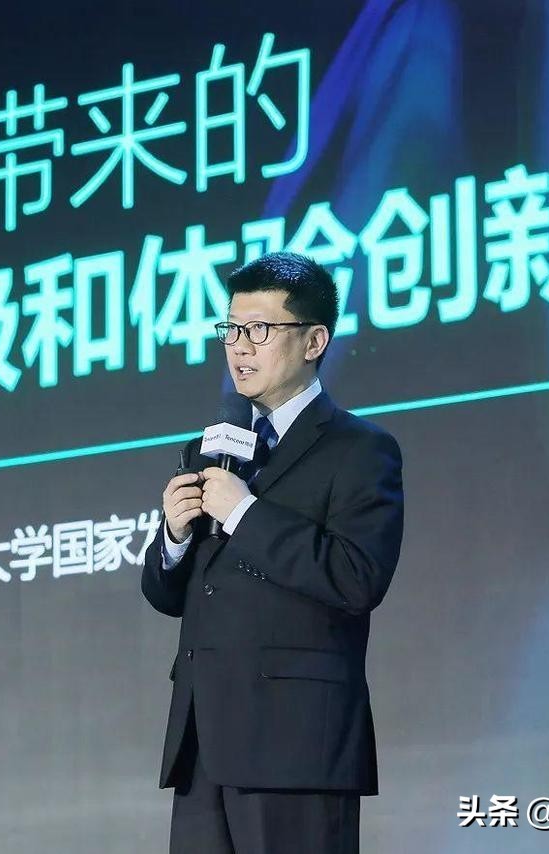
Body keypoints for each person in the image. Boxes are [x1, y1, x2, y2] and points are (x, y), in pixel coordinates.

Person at [141, 251, 405, 853]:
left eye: (259, 329)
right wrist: (174, 538)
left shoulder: (360, 449)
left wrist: (244, 513)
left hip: (297, 747)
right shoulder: (209, 449)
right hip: (202, 746)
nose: (239, 346)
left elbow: (357, 579)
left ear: (314, 341)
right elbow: (169, 595)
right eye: (231, 329)